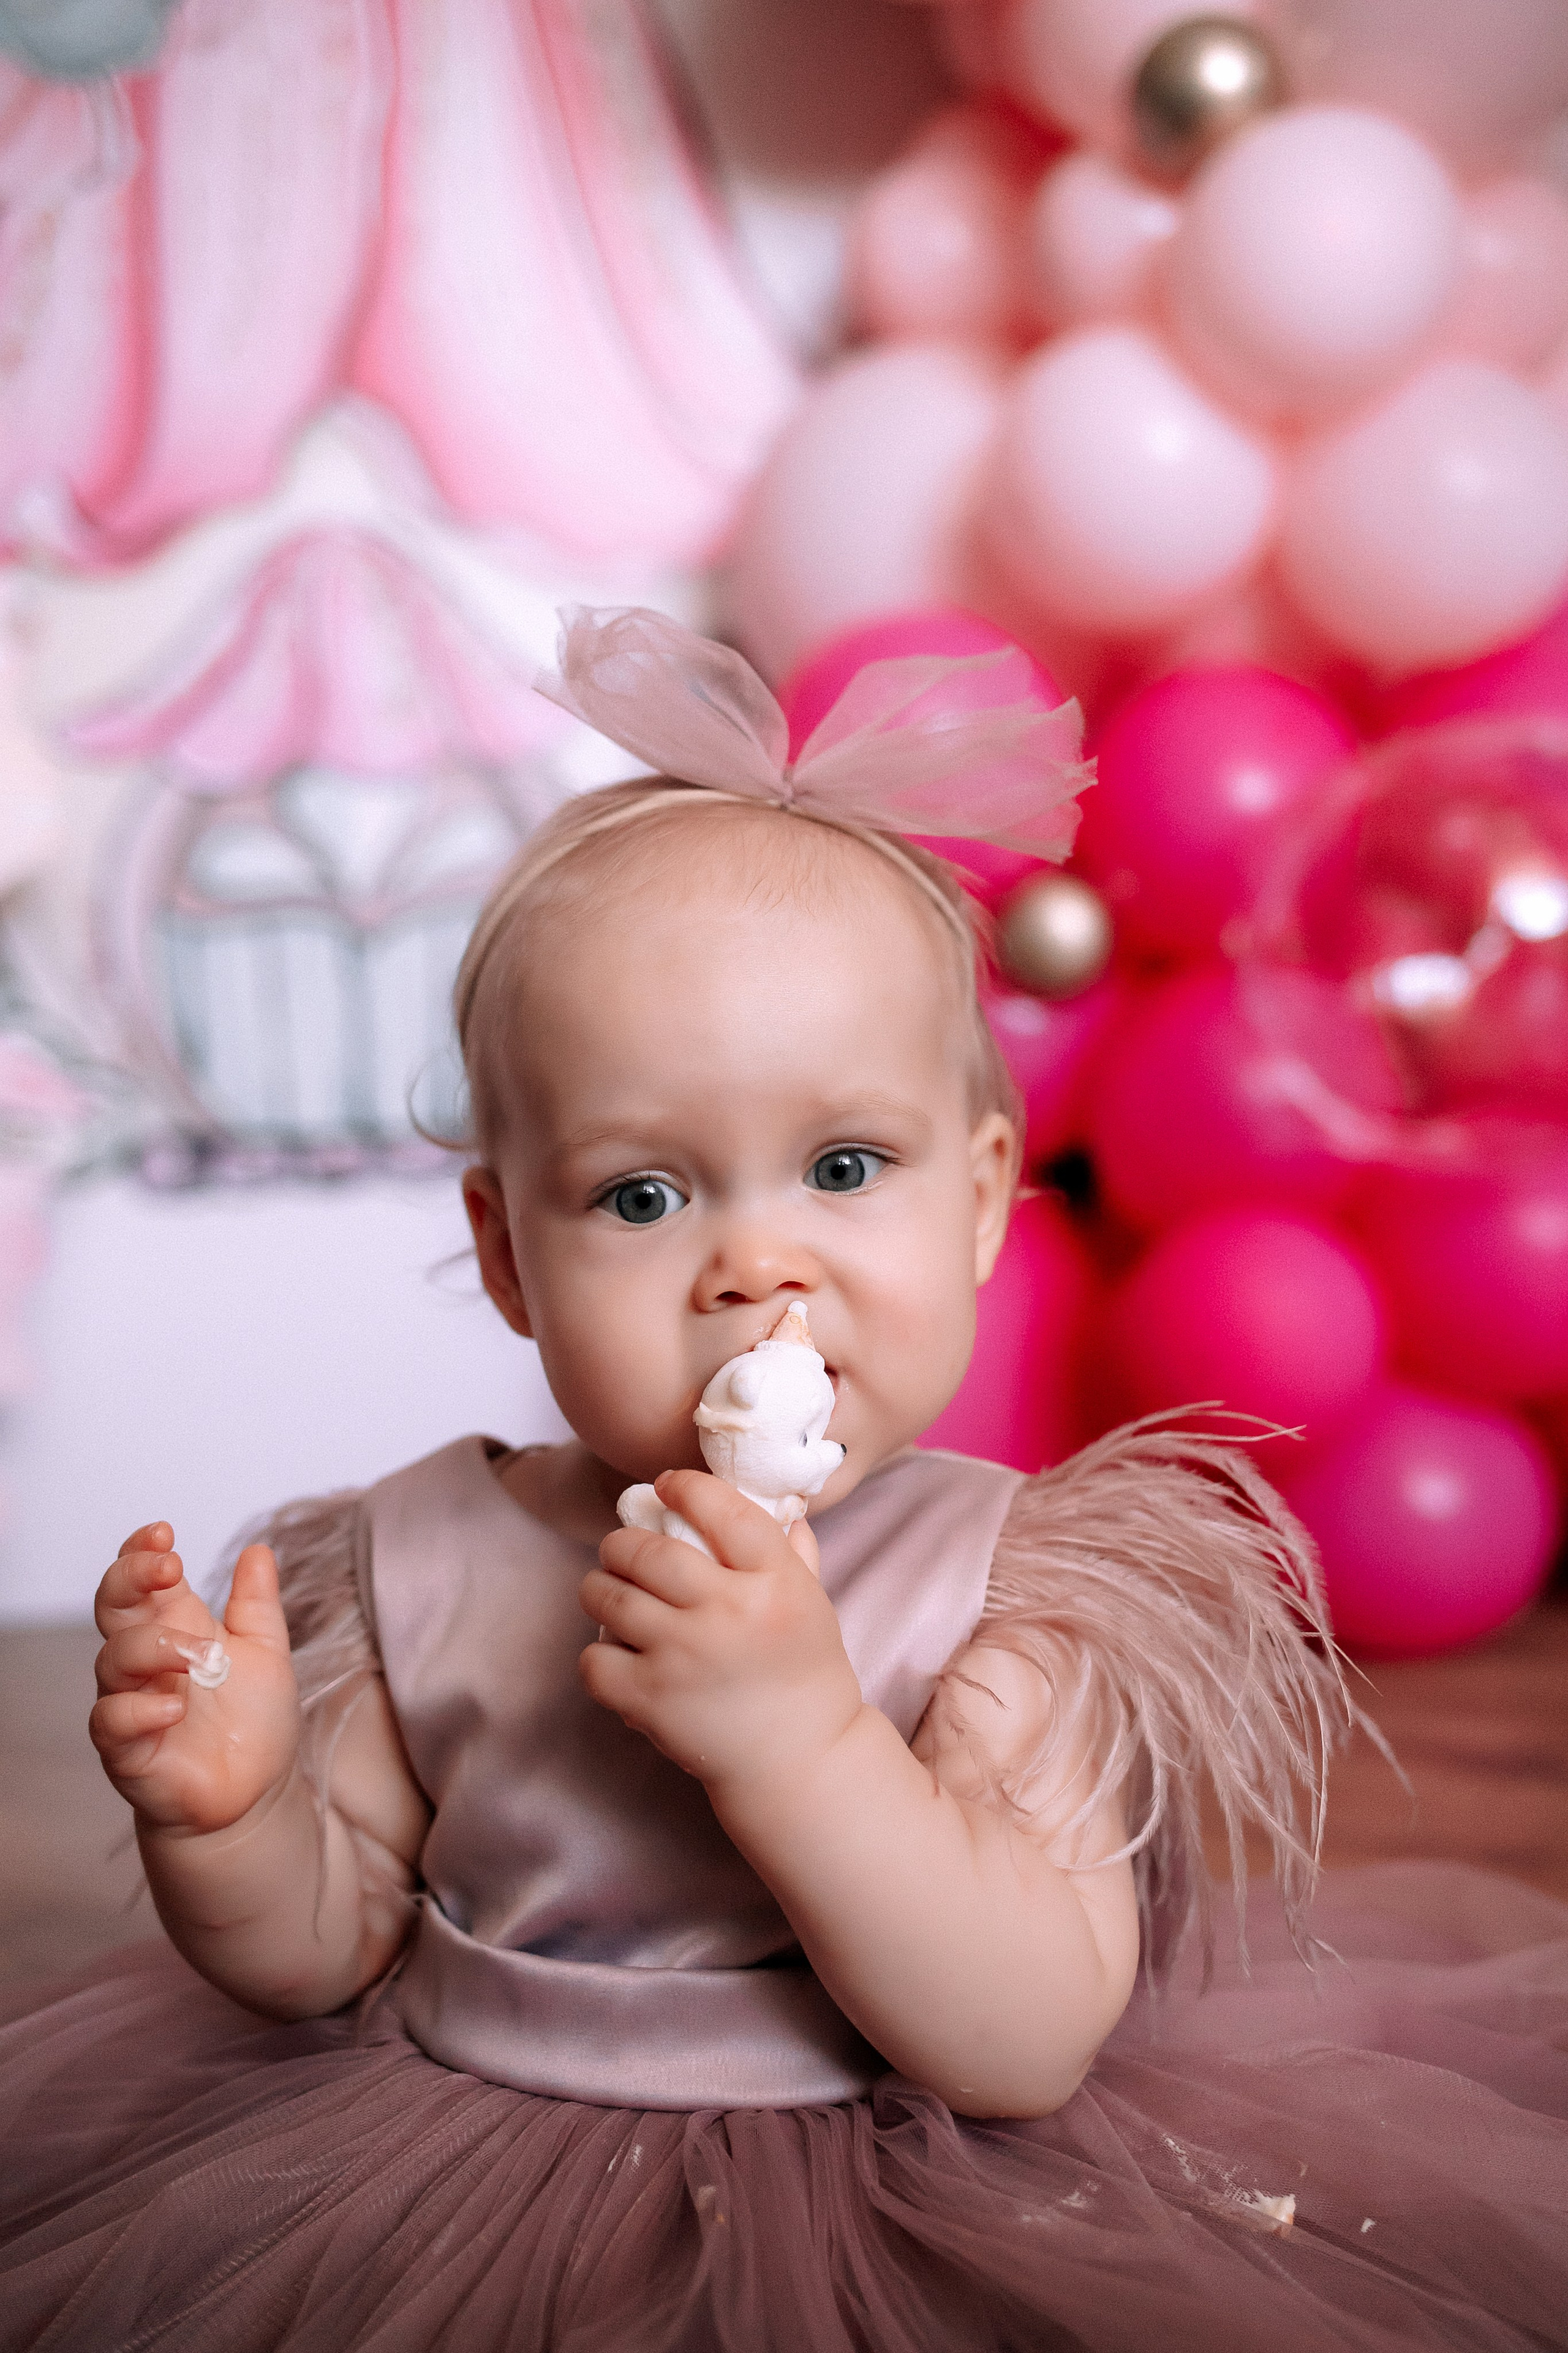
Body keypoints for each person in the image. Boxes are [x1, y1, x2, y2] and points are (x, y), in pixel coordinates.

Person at [2, 610, 1565, 2352]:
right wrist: (230, 1823)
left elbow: (1024, 2034)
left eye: (842, 1165)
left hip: (884, 2183)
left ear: (979, 1199)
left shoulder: (1006, 1594)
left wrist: (801, 1736)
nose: (758, 1266)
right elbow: (326, 1948)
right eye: (644, 1195)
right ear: (507, 1251)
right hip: (466, 2170)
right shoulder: (427, 1553)